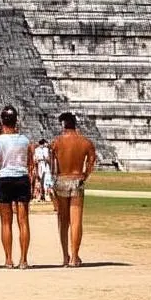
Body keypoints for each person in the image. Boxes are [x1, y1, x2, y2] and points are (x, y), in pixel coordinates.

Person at [0, 105, 34, 269]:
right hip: (21, 178)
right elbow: (29, 163)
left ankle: (8, 259)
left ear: (2, 121)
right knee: (23, 221)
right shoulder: (25, 140)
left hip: (4, 178)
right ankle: (23, 259)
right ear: (16, 120)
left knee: (6, 222)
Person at [50, 111, 97, 267]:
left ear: (63, 125)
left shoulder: (56, 143)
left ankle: (65, 256)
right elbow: (91, 163)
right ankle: (74, 257)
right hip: (76, 180)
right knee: (76, 221)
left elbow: (52, 166)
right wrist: (85, 175)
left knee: (63, 221)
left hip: (61, 180)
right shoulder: (85, 143)